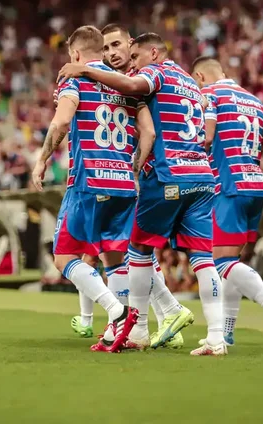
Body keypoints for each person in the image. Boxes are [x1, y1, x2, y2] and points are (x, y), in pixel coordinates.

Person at [59, 32, 224, 356]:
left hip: (168, 175)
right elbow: (205, 126)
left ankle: (137, 328)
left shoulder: (156, 72)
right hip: (203, 176)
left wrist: (87, 71)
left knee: (136, 248)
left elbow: (136, 92)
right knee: (204, 258)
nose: (133, 64)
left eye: (135, 57)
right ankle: (216, 337)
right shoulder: (191, 82)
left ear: (152, 52)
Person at [68, 23, 187, 349]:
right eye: (105, 49)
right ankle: (160, 318)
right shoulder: (119, 82)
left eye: (117, 45)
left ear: (132, 44)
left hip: (155, 174)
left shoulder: (140, 78)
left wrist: (80, 70)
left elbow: (149, 129)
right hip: (144, 176)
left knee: (131, 253)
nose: (111, 53)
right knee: (128, 253)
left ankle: (154, 317)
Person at [31, 25, 138, 353]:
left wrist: (42, 159)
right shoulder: (124, 84)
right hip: (124, 182)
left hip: (89, 181)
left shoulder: (75, 78)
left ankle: (116, 311)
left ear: (75, 54)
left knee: (63, 257)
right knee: (115, 258)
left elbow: (62, 121)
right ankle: (116, 333)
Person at [193, 56, 263, 350]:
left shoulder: (209, 96)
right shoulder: (254, 102)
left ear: (200, 77)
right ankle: (226, 332)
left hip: (226, 186)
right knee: (231, 263)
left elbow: (206, 136)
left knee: (220, 262)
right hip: (255, 187)